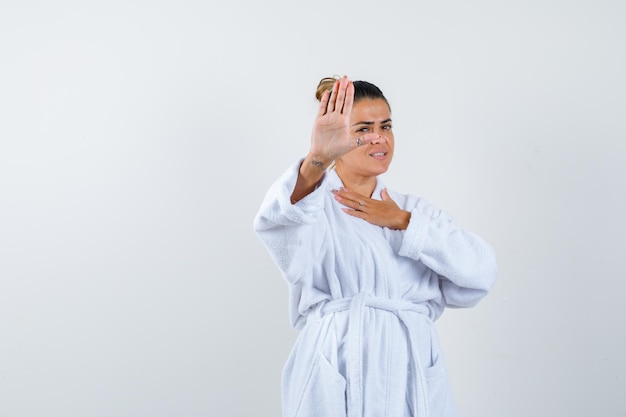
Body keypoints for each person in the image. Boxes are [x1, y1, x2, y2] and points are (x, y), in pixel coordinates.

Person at [253, 75, 497, 417]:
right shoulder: (310, 204)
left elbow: (480, 274)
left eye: (386, 125)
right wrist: (317, 159)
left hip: (409, 370)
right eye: (363, 129)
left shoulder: (413, 212)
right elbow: (282, 238)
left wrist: (404, 223)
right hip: (336, 358)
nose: (378, 138)